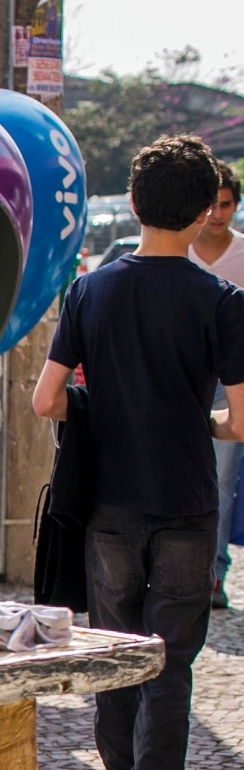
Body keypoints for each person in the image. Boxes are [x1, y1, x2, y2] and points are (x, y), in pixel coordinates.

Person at [32, 135, 244, 770]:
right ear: (199, 213)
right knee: (170, 667)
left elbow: (45, 399)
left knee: (117, 662)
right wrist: (199, 420)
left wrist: (100, 406)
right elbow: (239, 422)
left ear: (135, 200)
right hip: (187, 506)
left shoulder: (91, 290)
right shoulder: (218, 301)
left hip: (108, 511)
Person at [188, 162, 244, 608]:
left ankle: (212, 574)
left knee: (222, 479)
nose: (219, 213)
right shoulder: (177, 251)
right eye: (213, 204)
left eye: (226, 204)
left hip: (229, 382)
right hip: (183, 378)